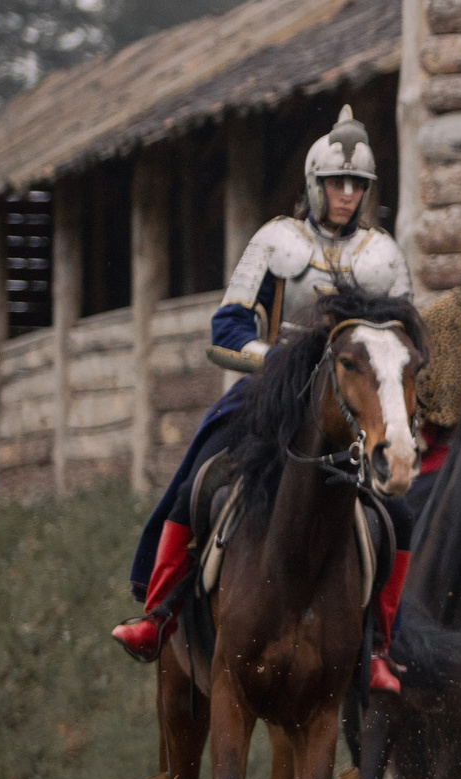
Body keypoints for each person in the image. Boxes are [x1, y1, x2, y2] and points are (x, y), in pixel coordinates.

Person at [112, 104, 414, 686]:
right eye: (336, 182)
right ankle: (160, 611)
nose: (347, 194)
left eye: (356, 185)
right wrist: (276, 361)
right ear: (315, 184)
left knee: (399, 509)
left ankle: (379, 644)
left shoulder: (384, 256)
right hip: (274, 394)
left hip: (351, 406)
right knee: (201, 472)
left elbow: (399, 335)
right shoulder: (276, 241)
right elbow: (228, 325)